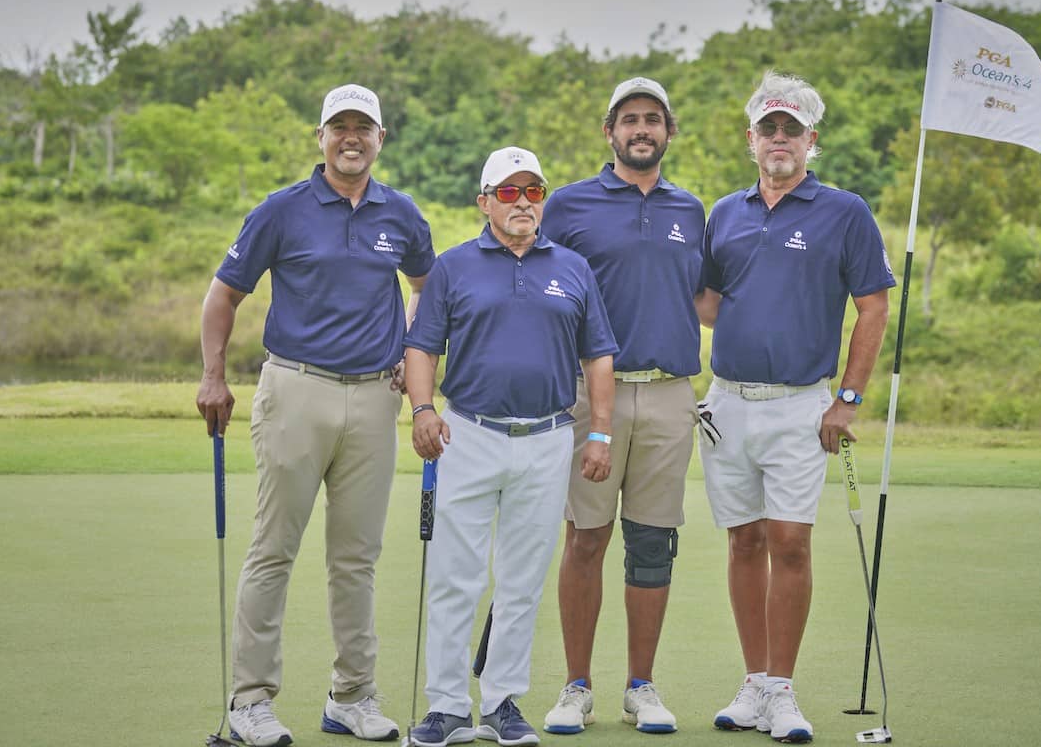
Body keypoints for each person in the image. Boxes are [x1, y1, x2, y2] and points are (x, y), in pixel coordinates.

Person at [196, 83, 434, 747]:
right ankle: (251, 702)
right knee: (274, 550)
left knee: (357, 557)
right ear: (321, 137)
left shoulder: (403, 216)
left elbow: (426, 291)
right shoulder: (281, 210)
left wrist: (409, 354)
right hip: (296, 390)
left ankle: (352, 696)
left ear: (381, 139)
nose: (352, 137)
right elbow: (223, 296)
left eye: (364, 127)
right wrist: (213, 376)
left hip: (374, 399)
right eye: (340, 127)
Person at [695, 71, 895, 744]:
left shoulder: (845, 211)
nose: (780, 140)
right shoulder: (724, 213)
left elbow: (873, 308)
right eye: (768, 129)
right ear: (751, 140)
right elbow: (709, 305)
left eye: (792, 129)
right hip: (726, 404)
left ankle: (782, 689)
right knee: (744, 540)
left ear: (812, 139)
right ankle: (753, 683)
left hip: (802, 406)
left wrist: (847, 398)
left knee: (791, 543)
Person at [403, 146, 618, 747]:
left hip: (548, 438)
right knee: (456, 575)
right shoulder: (454, 265)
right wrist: (421, 409)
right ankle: (446, 707)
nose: (523, 202)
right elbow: (422, 346)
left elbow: (598, 356)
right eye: (508, 192)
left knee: (521, 578)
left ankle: (501, 702)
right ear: (484, 201)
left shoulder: (573, 268)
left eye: (533, 191)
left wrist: (599, 431)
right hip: (466, 434)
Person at [539, 77, 705, 736]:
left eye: (653, 120)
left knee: (651, 542)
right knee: (585, 538)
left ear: (668, 133)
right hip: (589, 394)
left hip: (670, 393)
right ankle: (576, 686)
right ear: (609, 132)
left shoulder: (690, 210)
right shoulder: (569, 204)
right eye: (630, 119)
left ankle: (641, 686)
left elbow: (707, 297)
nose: (642, 129)